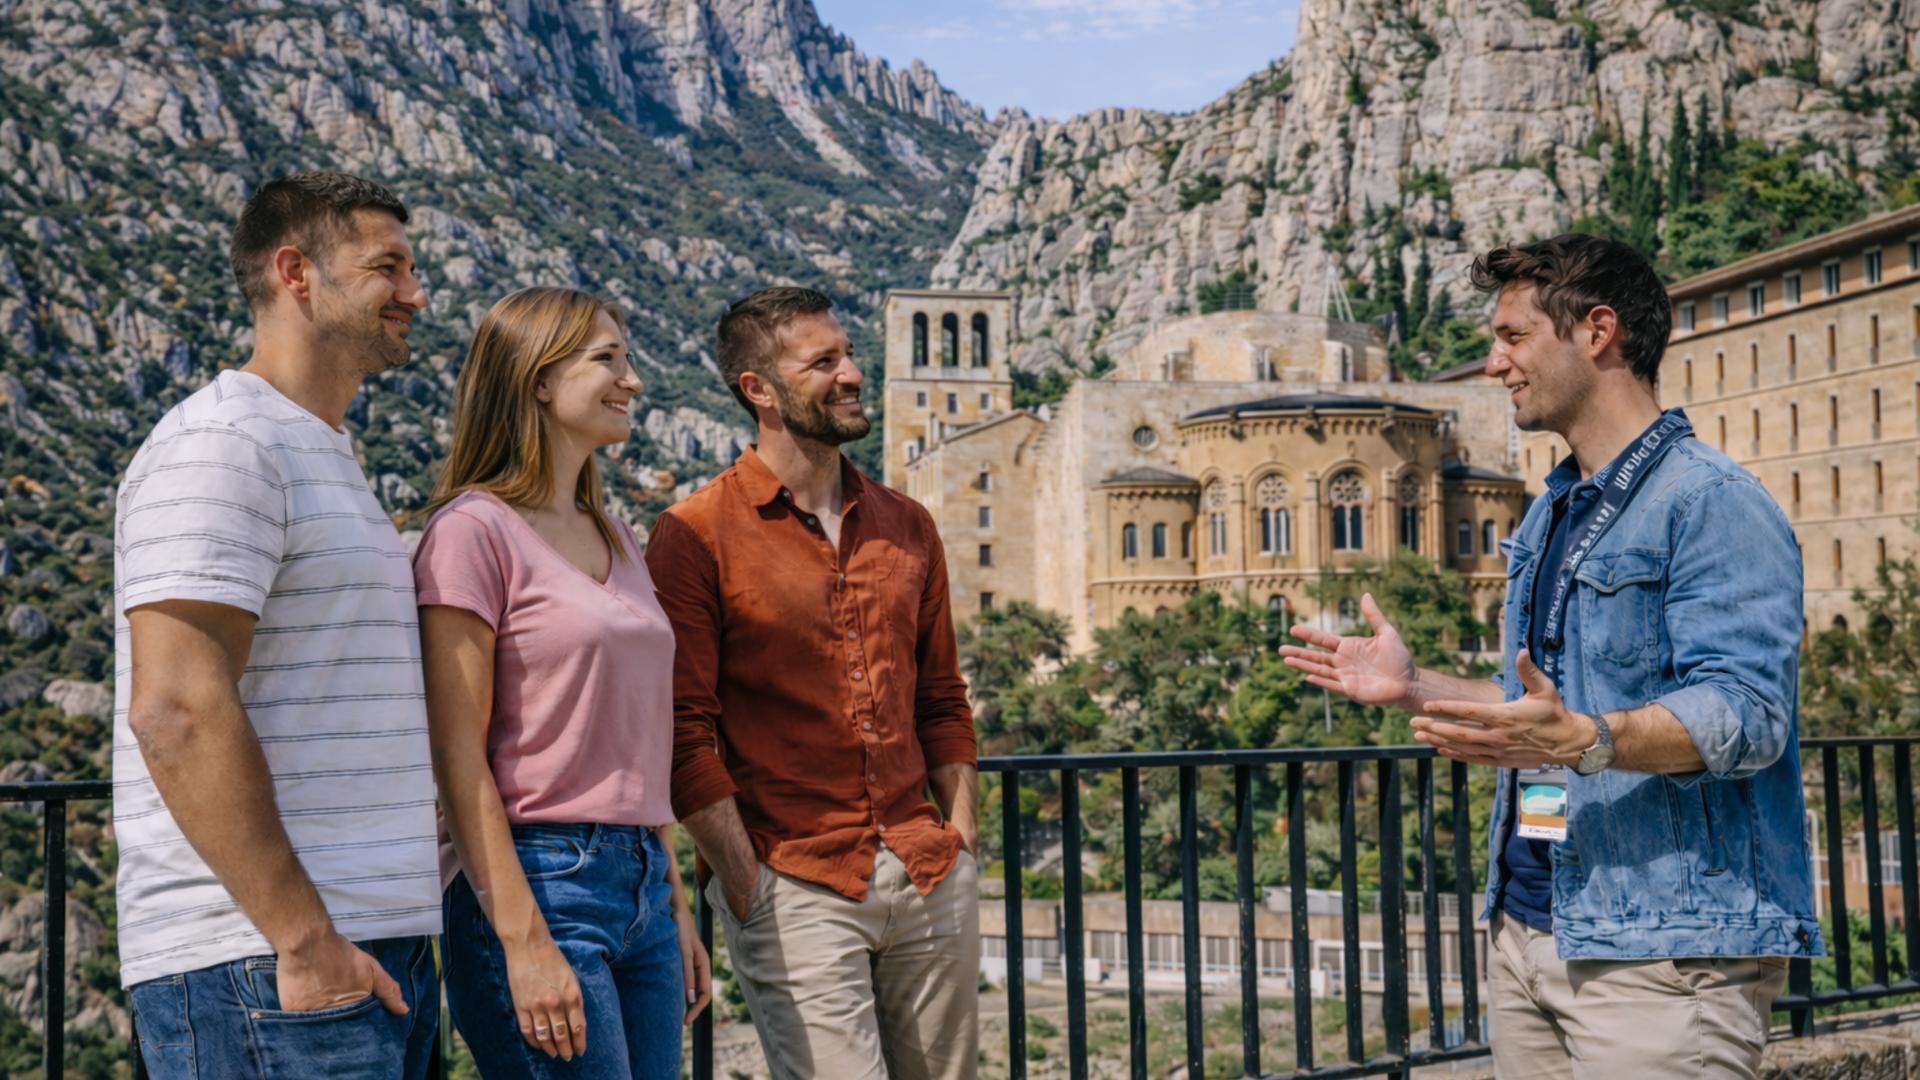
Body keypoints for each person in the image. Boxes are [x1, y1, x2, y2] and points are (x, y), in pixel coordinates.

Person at [1281, 234, 1820, 1078]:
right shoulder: (1551, 513)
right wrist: (1412, 684)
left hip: (1660, 958)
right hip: (1533, 934)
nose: (1493, 364)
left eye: (1513, 336)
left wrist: (1586, 738)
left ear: (1596, 331)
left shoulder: (1711, 502)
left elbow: (1749, 715)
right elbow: (1543, 704)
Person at [115, 171, 442, 1078]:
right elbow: (174, 708)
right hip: (266, 966)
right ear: (297, 272)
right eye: (389, 267)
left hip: (364, 951)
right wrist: (302, 941)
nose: (416, 294)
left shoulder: (323, 453)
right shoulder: (224, 443)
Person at [645, 286, 980, 1080]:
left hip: (928, 871)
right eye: (823, 361)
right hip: (794, 887)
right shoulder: (693, 536)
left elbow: (941, 696)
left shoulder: (908, 524)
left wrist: (961, 838)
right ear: (757, 389)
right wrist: (745, 882)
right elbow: (682, 731)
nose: (852, 372)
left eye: (849, 352)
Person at [414, 286, 710, 1078]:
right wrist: (521, 941)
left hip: (641, 884)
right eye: (606, 358)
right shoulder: (471, 533)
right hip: (540, 884)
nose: (633, 380)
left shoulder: (614, 532)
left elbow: (632, 743)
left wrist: (673, 902)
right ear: (538, 379)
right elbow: (455, 754)